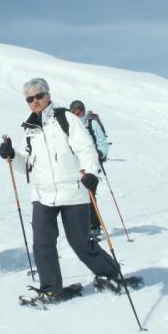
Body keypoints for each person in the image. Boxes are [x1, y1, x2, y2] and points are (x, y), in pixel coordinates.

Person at [0, 78, 121, 299]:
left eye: (38, 96)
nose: (35, 101)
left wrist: (91, 172)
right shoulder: (29, 129)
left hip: (73, 190)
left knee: (80, 243)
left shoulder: (66, 119)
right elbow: (26, 164)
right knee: (42, 243)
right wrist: (12, 155)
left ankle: (110, 274)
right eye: (29, 99)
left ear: (48, 96)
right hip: (43, 193)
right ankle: (50, 288)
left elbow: (85, 148)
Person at [69, 100, 109, 239]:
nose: (78, 114)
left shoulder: (91, 123)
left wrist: (100, 153)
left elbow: (102, 141)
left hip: (90, 164)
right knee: (77, 195)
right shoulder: (70, 125)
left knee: (89, 193)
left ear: (84, 111)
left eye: (80, 112)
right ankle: (83, 225)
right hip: (75, 164)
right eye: (74, 112)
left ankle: (94, 226)